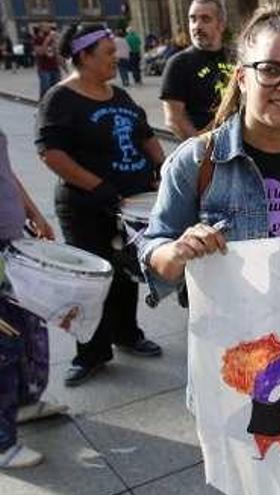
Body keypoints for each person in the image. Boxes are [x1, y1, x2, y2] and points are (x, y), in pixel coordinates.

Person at [140, 8, 280, 495]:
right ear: (242, 76)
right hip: (244, 372)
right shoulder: (198, 162)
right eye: (270, 69)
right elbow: (153, 250)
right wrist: (176, 252)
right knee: (256, 479)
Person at [35, 23, 166, 387]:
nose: (116, 58)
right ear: (83, 56)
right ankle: (91, 354)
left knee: (126, 273)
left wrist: (161, 168)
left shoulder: (119, 95)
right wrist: (101, 188)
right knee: (92, 281)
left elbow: (146, 136)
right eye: (108, 53)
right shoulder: (60, 99)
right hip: (87, 206)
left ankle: (128, 333)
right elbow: (52, 153)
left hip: (129, 205)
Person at [0, 126, 65, 469]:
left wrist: (32, 212)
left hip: (12, 243)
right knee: (3, 347)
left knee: (28, 329)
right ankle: (2, 442)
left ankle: (25, 401)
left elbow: (5, 170)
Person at [160, 0, 233, 140]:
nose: (197, 26)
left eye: (205, 19)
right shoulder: (178, 64)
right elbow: (174, 120)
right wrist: (204, 148)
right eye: (193, 19)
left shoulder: (237, 57)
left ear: (221, 25)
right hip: (205, 153)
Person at [33, 25, 61, 98]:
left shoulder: (52, 40)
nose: (49, 28)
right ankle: (43, 105)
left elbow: (56, 53)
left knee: (58, 89)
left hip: (55, 67)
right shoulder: (37, 39)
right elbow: (41, 52)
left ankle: (54, 105)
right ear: (41, 29)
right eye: (46, 26)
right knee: (45, 89)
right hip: (44, 68)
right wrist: (48, 39)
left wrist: (63, 65)